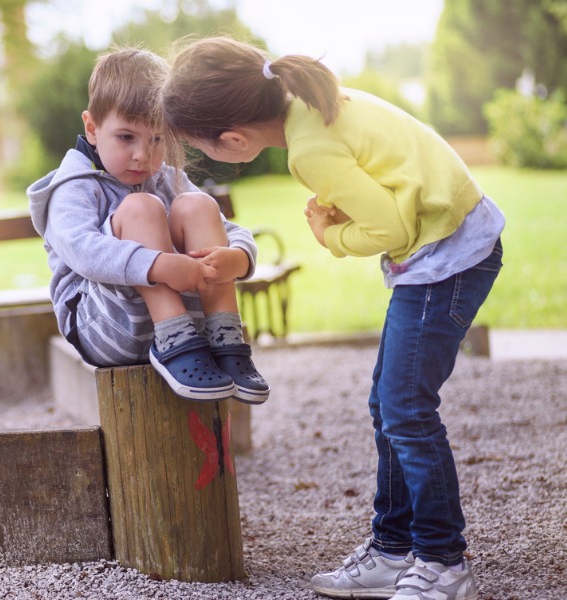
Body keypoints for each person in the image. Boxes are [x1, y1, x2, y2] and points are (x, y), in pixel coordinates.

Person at [160, 37, 503, 600]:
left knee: (406, 409)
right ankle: (392, 550)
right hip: (451, 238)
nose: (206, 159)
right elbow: (391, 177)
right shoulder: (314, 101)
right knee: (389, 404)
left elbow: (390, 231)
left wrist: (330, 235)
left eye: (203, 149)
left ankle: (444, 560)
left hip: (449, 256)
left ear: (235, 139)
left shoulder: (307, 150)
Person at [27, 47, 270, 404]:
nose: (143, 155)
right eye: (126, 137)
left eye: (157, 139)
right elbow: (82, 251)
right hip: (106, 327)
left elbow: (225, 227)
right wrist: (156, 265)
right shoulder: (74, 186)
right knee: (141, 207)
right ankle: (175, 340)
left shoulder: (167, 177)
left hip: (193, 331)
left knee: (197, 204)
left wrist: (239, 256)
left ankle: (226, 336)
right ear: (92, 128)